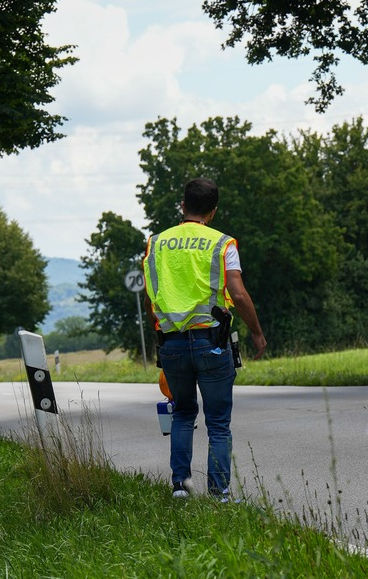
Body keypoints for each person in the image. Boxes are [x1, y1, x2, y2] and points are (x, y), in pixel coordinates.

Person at [143, 177, 266, 500]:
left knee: (183, 413)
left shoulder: (155, 243)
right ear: (212, 211)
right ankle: (219, 494)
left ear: (182, 206)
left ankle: (180, 489)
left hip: (171, 342)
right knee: (218, 423)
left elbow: (149, 298)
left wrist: (160, 332)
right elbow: (237, 294)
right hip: (212, 341)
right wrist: (256, 332)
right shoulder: (222, 244)